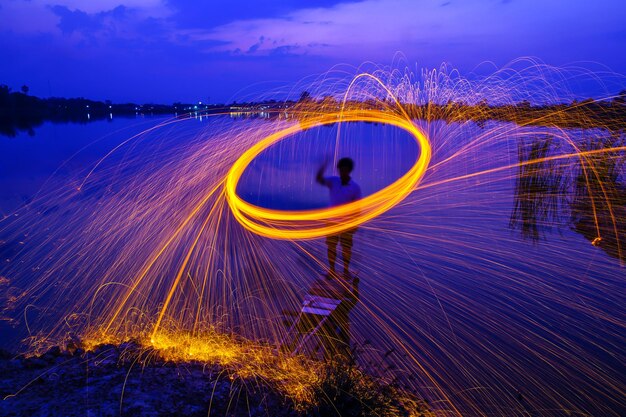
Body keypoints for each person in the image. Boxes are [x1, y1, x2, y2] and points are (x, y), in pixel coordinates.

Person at [316, 157, 362, 279]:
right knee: (331, 247)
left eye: (344, 170)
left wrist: (355, 224)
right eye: (340, 169)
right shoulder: (334, 181)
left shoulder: (355, 187)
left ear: (349, 170)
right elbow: (319, 179)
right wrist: (324, 164)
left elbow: (357, 208)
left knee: (346, 248)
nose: (341, 172)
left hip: (346, 224)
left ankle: (345, 271)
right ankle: (332, 271)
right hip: (331, 221)